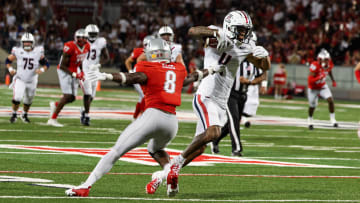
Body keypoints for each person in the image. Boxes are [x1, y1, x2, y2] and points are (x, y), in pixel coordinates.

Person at [65, 38, 221, 197]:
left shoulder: (148, 66)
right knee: (155, 149)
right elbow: (192, 77)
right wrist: (212, 70)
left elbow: (132, 78)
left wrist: (105, 76)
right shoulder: (177, 68)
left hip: (153, 116)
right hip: (172, 123)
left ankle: (86, 185)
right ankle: (169, 172)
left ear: (152, 53)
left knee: (116, 151)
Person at [148, 10, 271, 197]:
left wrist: (266, 57)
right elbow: (192, 31)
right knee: (214, 132)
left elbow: (263, 67)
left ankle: (162, 175)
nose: (243, 35)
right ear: (229, 27)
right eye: (239, 30)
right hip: (206, 95)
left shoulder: (245, 45)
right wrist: (215, 34)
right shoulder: (216, 35)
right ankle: (176, 164)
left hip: (221, 101)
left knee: (200, 149)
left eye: (245, 31)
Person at [211, 59, 267, 156]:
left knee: (232, 122)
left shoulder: (252, 63)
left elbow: (262, 75)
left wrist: (250, 82)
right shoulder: (233, 60)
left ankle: (215, 140)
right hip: (229, 94)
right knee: (234, 120)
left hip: (243, 95)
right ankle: (236, 149)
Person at [47, 29, 90, 127]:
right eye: (79, 38)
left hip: (74, 70)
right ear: (75, 38)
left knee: (72, 98)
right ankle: (52, 119)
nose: (82, 40)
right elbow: (62, 65)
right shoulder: (70, 47)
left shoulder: (87, 47)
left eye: (84, 38)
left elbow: (80, 60)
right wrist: (75, 74)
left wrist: (81, 71)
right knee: (67, 96)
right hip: (64, 71)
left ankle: (56, 105)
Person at [6, 32, 49, 123]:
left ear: (32, 42)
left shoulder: (38, 51)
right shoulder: (17, 51)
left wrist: (42, 70)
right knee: (17, 97)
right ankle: (14, 114)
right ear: (22, 42)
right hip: (20, 79)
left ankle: (24, 115)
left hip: (32, 80)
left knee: (29, 99)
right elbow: (8, 60)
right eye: (25, 42)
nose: (27, 44)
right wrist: (10, 69)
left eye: (29, 42)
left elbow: (46, 64)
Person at [80, 24, 109, 126]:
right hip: (84, 70)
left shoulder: (101, 42)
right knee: (87, 94)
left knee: (92, 96)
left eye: (94, 34)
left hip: (95, 71)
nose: (92, 35)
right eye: (91, 34)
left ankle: (84, 110)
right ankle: (87, 116)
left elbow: (106, 57)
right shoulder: (81, 42)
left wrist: (99, 64)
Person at [124, 35, 155, 119]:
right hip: (138, 76)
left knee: (142, 97)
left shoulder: (155, 54)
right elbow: (128, 61)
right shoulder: (139, 51)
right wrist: (131, 72)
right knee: (145, 96)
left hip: (147, 77)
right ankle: (143, 117)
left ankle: (135, 117)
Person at [307, 49, 338, 130]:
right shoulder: (314, 65)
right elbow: (310, 80)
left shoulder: (329, 64)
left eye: (328, 59)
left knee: (330, 100)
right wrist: (319, 77)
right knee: (312, 106)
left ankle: (332, 119)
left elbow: (329, 71)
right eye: (326, 60)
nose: (328, 61)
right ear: (320, 59)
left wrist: (333, 80)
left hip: (322, 86)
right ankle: (310, 119)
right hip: (313, 88)